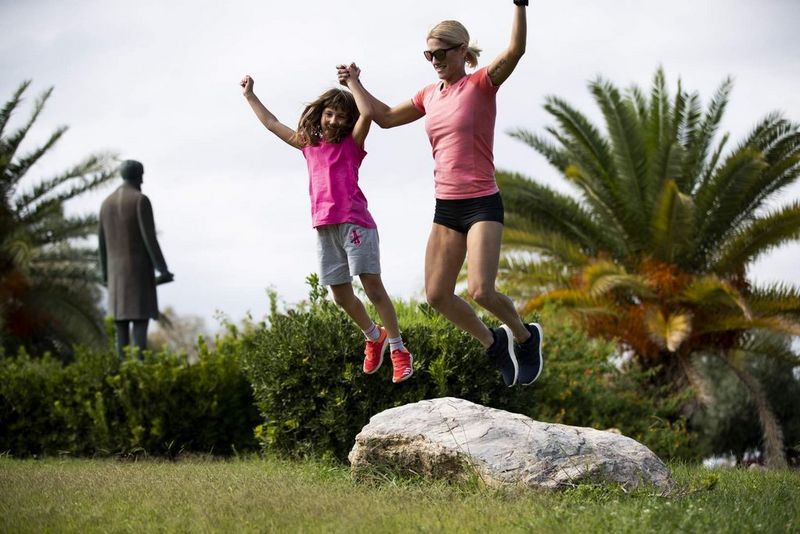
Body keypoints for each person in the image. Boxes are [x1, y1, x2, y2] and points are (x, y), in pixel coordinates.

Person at [336, 0, 542, 387]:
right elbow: (384, 118)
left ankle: (525, 337)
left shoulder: (481, 84)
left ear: (461, 50)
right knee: (437, 295)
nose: (434, 61)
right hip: (447, 206)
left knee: (481, 290)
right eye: (428, 54)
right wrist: (354, 84)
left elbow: (516, 50)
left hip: (482, 202)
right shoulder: (429, 95)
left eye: (440, 53)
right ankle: (494, 344)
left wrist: (519, 6)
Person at [239, 68, 414, 383]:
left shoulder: (353, 144)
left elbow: (368, 113)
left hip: (355, 223)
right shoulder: (307, 144)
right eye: (329, 114)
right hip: (324, 227)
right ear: (320, 115)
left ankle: (398, 349)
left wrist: (353, 82)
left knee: (372, 287)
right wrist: (250, 96)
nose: (334, 121)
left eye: (341, 116)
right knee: (340, 296)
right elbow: (271, 123)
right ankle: (374, 335)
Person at [99, 160, 174, 360]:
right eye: (142, 176)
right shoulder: (140, 200)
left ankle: (122, 374)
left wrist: (105, 275)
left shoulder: (106, 204)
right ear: (138, 176)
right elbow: (150, 239)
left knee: (121, 339)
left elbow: (102, 245)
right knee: (140, 333)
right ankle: (139, 373)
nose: (142, 180)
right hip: (138, 276)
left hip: (115, 280)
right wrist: (162, 269)